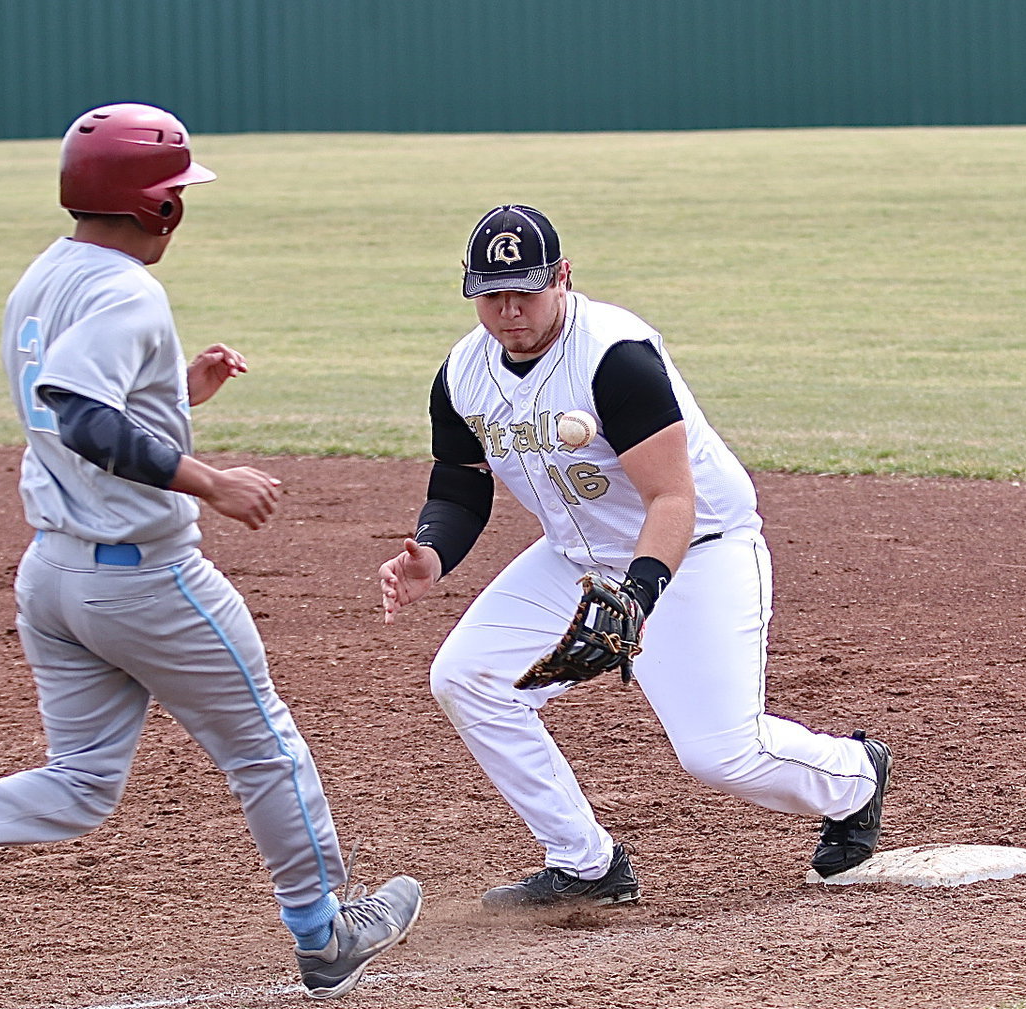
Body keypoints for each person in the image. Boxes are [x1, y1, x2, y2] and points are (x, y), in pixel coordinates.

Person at [0, 102, 420, 999]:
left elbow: (73, 404)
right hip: (148, 583)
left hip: (52, 576)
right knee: (265, 750)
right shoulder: (129, 291)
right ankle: (325, 931)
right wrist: (209, 480)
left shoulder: (43, 275)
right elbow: (85, 417)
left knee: (82, 781)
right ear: (158, 206)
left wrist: (176, 392)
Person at [379, 204, 891, 910]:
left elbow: (672, 499)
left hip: (698, 550)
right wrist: (432, 553)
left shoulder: (613, 357)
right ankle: (585, 863)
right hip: (578, 556)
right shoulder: (464, 374)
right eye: (491, 295)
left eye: (526, 290)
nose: (509, 310)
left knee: (720, 754)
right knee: (467, 678)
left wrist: (638, 597)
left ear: (562, 276)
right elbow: (460, 484)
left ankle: (854, 776)